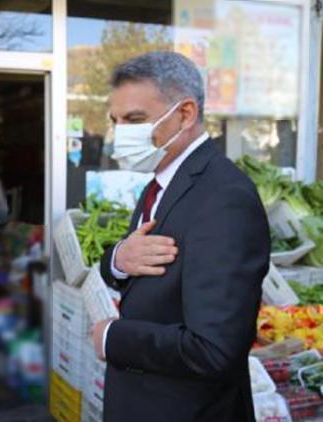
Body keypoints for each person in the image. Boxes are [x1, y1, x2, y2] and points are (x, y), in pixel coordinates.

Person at [92, 52, 270, 421]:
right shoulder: (158, 183)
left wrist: (113, 338)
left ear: (185, 114)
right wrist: (117, 259)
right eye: (116, 121)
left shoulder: (224, 197)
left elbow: (213, 349)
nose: (120, 133)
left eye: (135, 119)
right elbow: (138, 266)